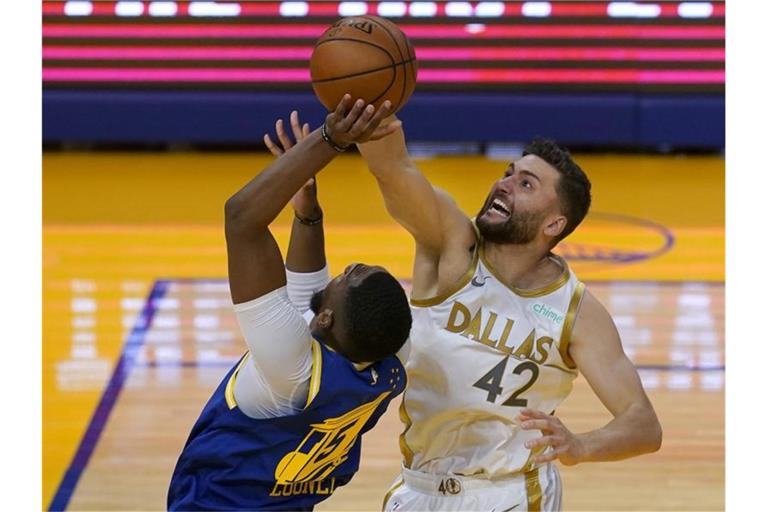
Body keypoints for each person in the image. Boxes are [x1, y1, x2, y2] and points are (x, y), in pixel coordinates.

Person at [355, 120, 663, 511]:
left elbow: (643, 425)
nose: (505, 184)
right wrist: (369, 112)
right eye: (508, 174)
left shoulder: (576, 312)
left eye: (526, 184)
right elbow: (394, 168)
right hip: (420, 488)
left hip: (511, 494)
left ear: (553, 224)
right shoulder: (450, 245)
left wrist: (580, 446)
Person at [167, 98, 412, 511]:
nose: (348, 265)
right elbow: (304, 298)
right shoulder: (387, 366)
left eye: (351, 274)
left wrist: (329, 140)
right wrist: (307, 211)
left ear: (328, 316)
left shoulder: (288, 368)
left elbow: (241, 218)